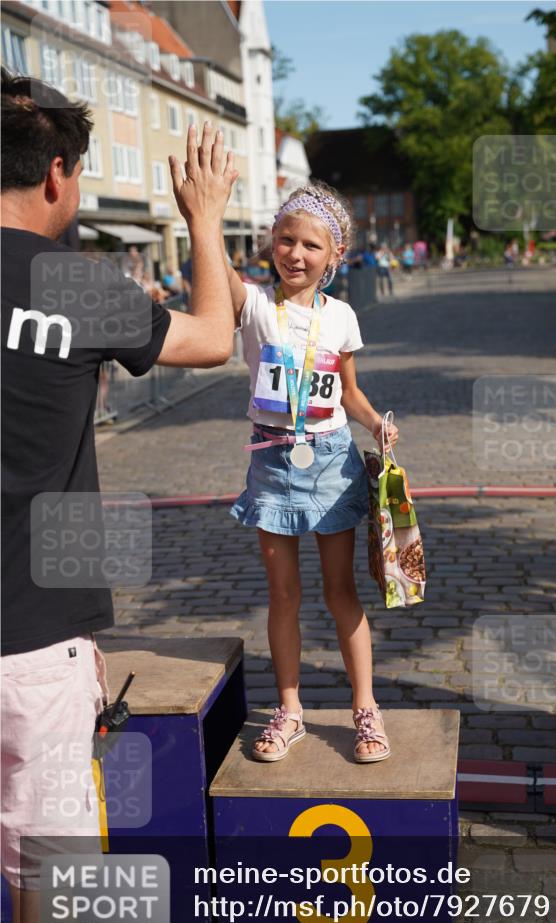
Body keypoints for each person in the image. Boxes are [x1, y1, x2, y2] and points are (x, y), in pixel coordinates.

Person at [1, 69, 238, 923]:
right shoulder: (78, 286)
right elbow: (216, 335)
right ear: (57, 174)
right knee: (50, 890)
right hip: (36, 639)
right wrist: (203, 217)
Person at [221, 182, 399, 765]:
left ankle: (365, 708)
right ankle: (290, 709)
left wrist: (376, 423)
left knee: (340, 590)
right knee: (283, 595)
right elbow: (214, 268)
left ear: (334, 257)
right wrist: (206, 213)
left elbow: (349, 392)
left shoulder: (341, 316)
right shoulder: (251, 306)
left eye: (310, 246)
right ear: (271, 243)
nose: (295, 254)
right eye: (285, 240)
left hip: (330, 463)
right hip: (272, 463)